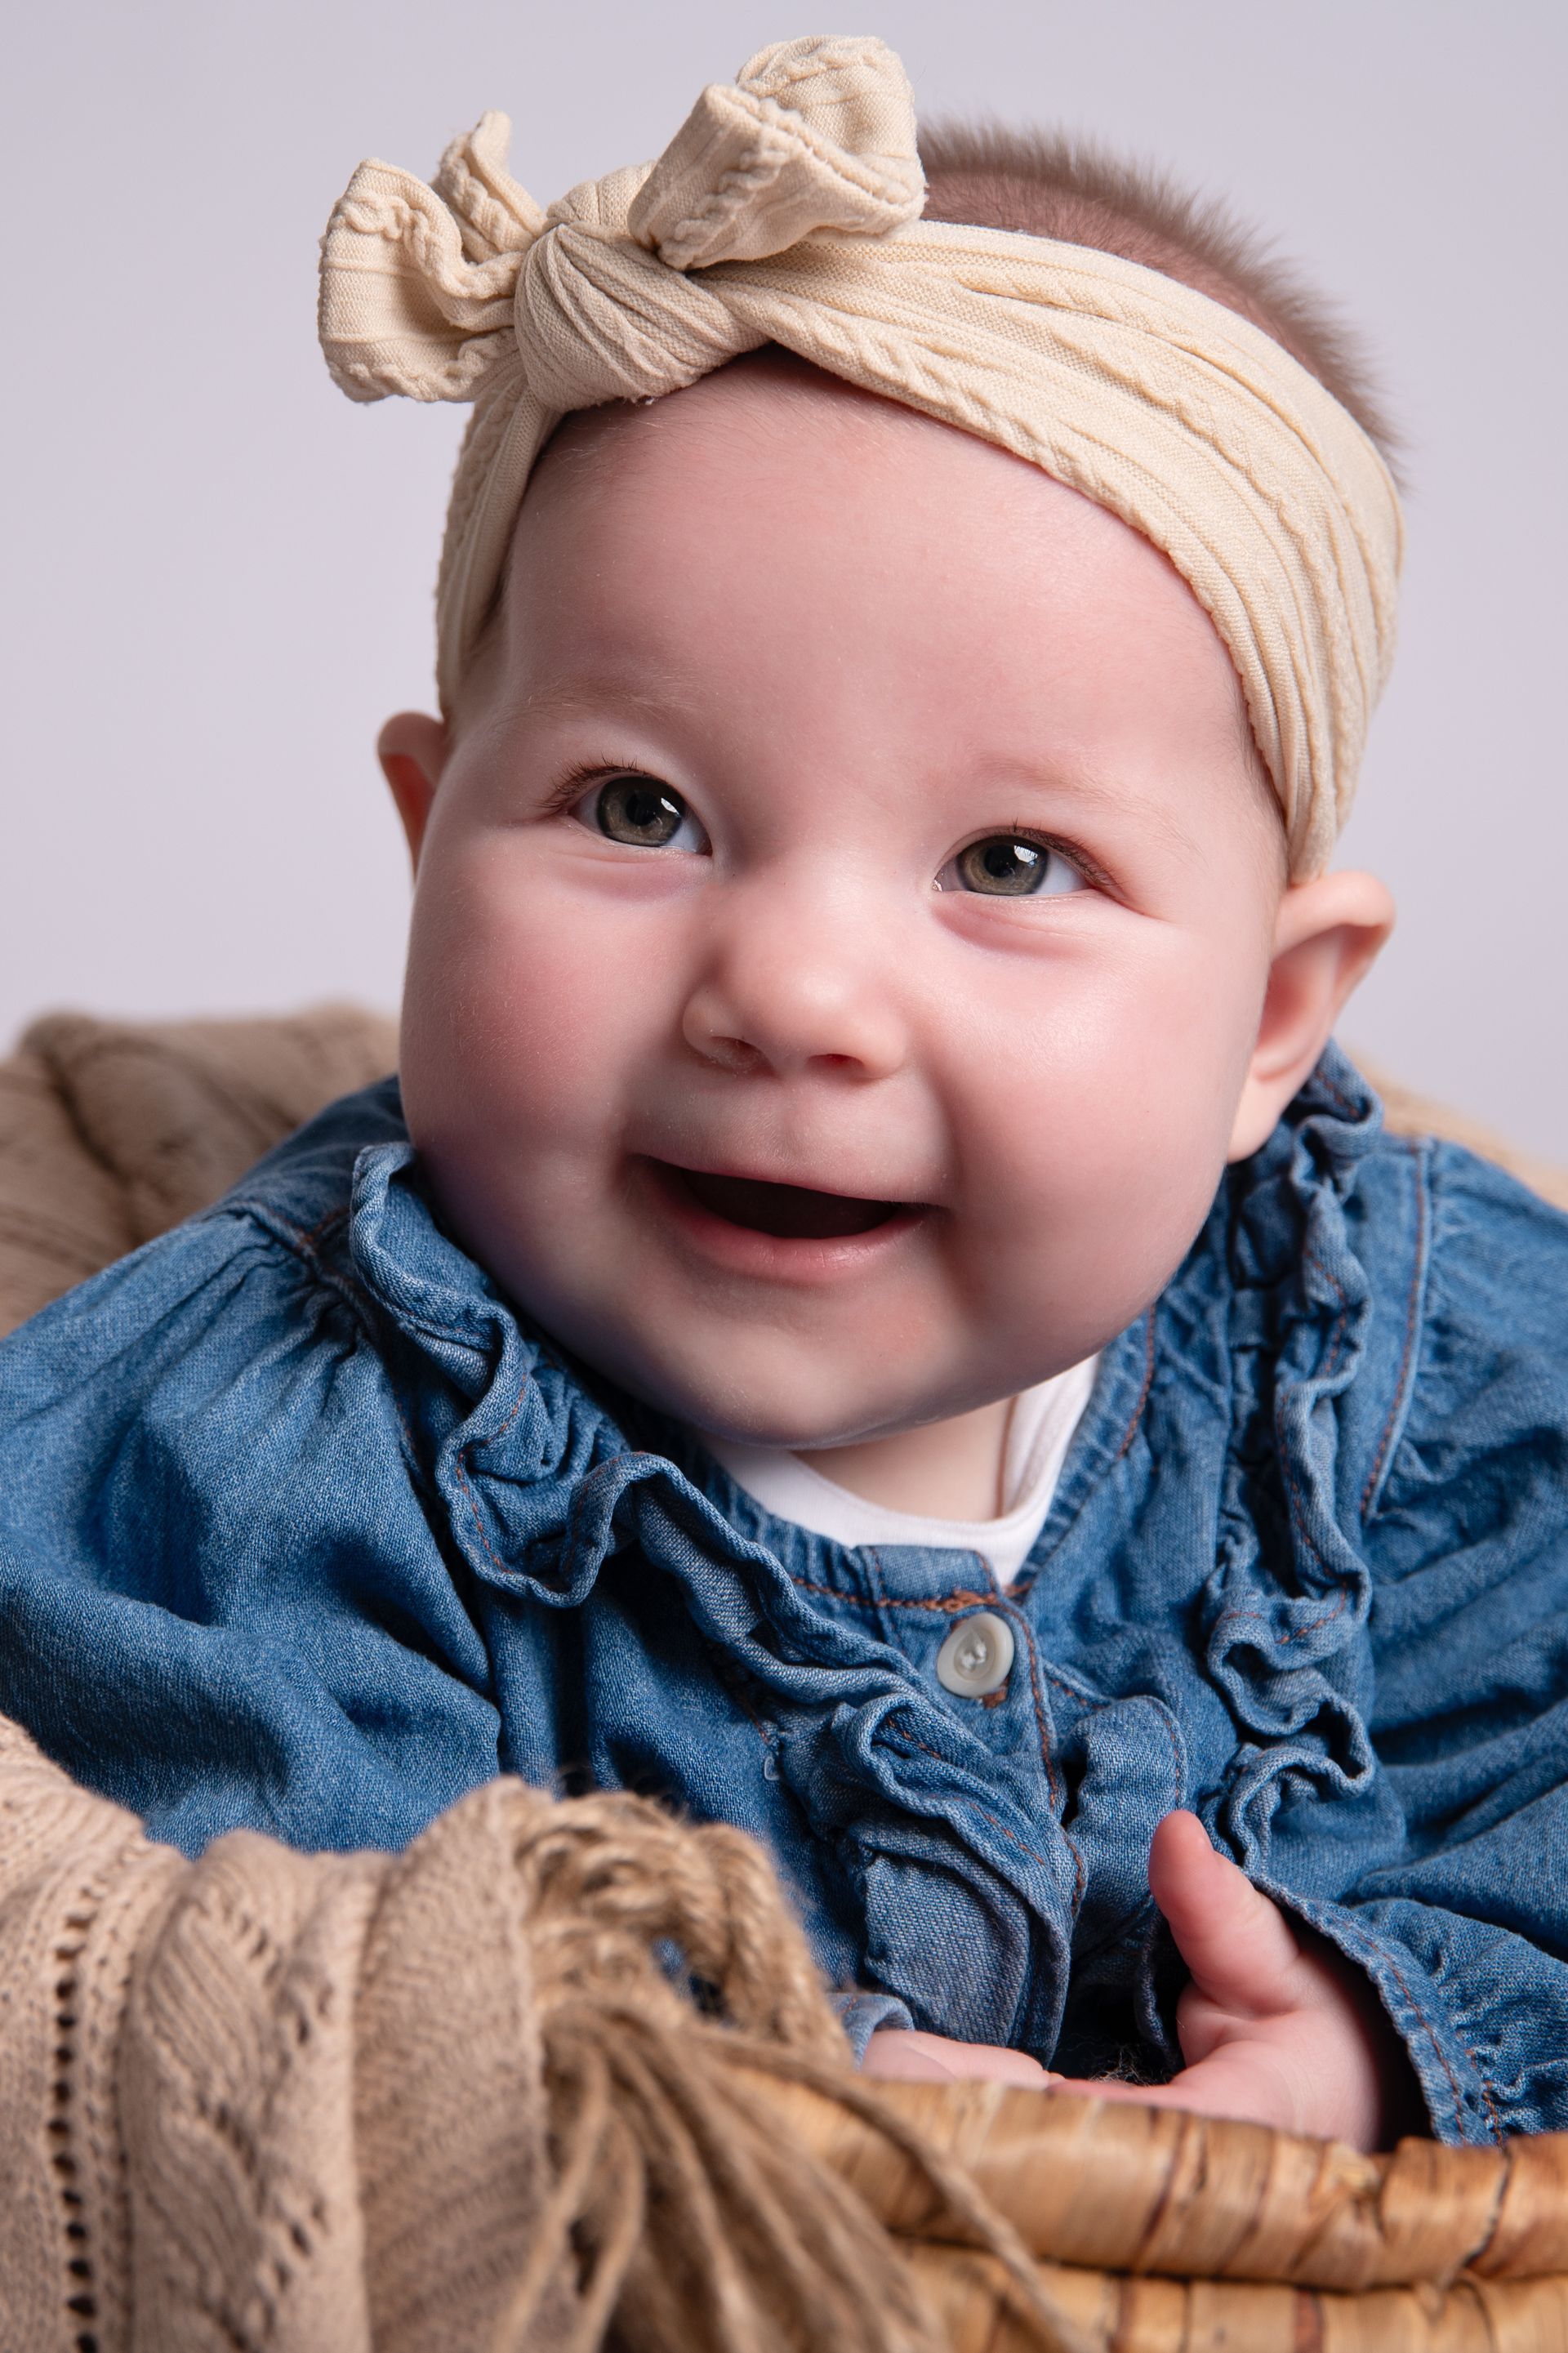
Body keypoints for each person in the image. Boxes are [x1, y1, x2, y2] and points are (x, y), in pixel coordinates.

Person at [2, 35, 1564, 2155]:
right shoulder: (265, 1444)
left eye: (1010, 863)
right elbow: (263, 1983)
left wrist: (1397, 2031)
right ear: (427, 833)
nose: (794, 992)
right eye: (640, 807)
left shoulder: (1390, 1360)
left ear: (1269, 1026)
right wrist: (722, 2103)